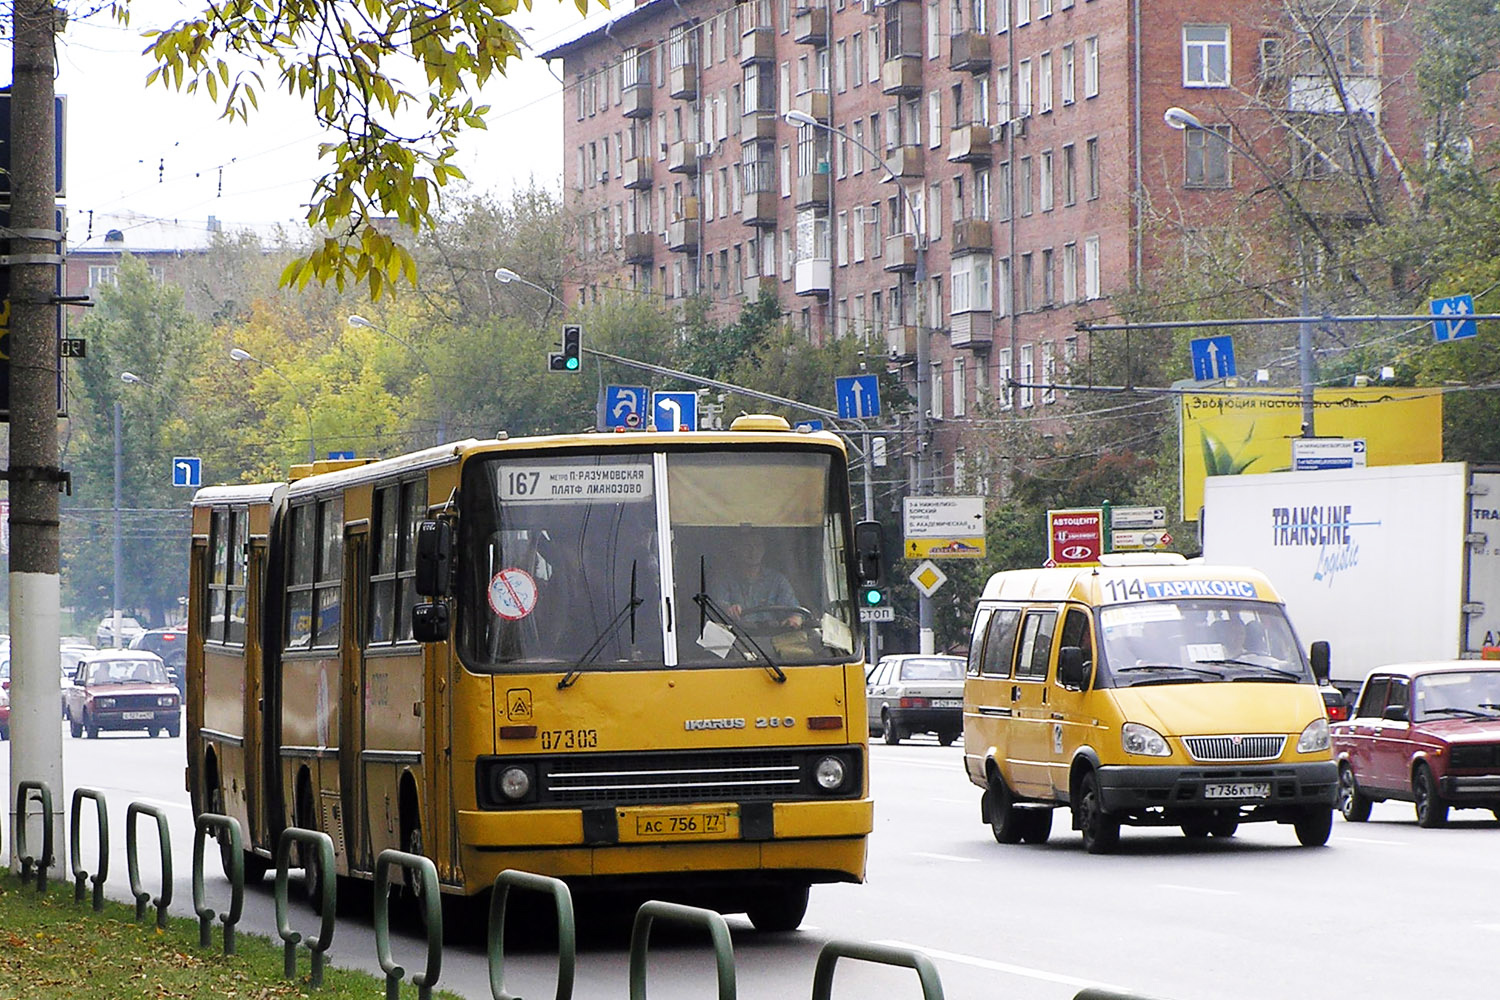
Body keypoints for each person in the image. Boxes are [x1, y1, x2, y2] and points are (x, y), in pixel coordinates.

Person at [722, 532, 803, 628]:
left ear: (764, 549)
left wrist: (794, 618)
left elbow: (794, 611)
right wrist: (728, 610)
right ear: (737, 549)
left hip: (773, 638)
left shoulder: (777, 581)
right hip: (738, 637)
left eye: (758, 545)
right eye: (747, 546)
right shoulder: (725, 579)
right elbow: (717, 608)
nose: (753, 551)